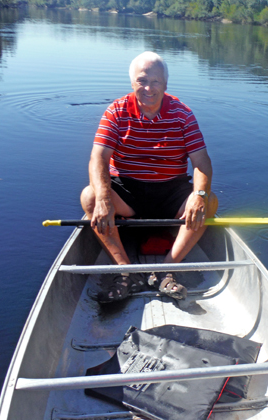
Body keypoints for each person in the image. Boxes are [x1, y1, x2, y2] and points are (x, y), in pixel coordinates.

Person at [80, 51, 218, 304]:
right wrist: (102, 197)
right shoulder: (116, 112)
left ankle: (166, 270)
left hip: (171, 191)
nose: (148, 88)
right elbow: (98, 158)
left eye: (155, 81)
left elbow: (201, 162)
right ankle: (126, 271)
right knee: (90, 197)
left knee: (209, 202)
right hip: (128, 192)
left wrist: (199, 196)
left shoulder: (182, 114)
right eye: (142, 80)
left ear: (165, 83)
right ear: (132, 82)